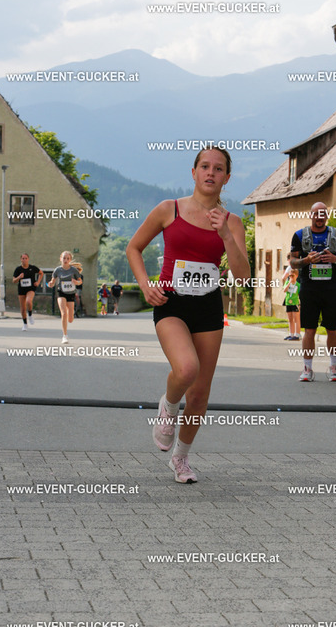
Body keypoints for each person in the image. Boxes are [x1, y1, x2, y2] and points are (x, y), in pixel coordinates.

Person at [126, 146, 250, 484]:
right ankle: (168, 406)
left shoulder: (232, 222)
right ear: (194, 173)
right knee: (186, 369)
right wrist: (145, 284)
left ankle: (180, 458)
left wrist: (226, 236)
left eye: (219, 168)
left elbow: (242, 276)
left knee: (199, 394)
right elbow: (133, 247)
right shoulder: (169, 209)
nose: (211, 173)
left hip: (208, 307)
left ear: (227, 178)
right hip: (172, 303)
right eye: (205, 166)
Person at [290, 201, 336, 381]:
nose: (320, 217)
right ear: (311, 215)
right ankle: (307, 369)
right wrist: (306, 260)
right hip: (309, 289)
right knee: (309, 329)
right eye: (316, 214)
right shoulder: (300, 235)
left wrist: (334, 259)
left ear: (327, 216)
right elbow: (293, 262)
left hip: (331, 289)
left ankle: (334, 366)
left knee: (332, 329)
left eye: (323, 213)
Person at [48, 251, 82, 343]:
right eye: (64, 258)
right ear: (60, 259)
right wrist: (51, 284)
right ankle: (65, 336)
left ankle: (70, 312)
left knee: (70, 319)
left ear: (70, 260)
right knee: (63, 313)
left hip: (71, 293)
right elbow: (52, 281)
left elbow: (80, 281)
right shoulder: (57, 270)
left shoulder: (73, 270)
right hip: (61, 292)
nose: (65, 260)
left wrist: (77, 282)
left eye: (67, 258)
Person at [12, 253, 44, 331]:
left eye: (26, 258)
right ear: (21, 259)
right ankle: (25, 324)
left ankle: (30, 315)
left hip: (31, 288)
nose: (24, 260)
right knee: (23, 309)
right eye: (23, 258)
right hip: (22, 289)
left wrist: (38, 282)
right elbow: (14, 281)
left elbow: (41, 273)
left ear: (28, 259)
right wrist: (19, 277)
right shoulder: (18, 269)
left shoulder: (32, 268)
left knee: (29, 301)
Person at [283, 268, 300, 341]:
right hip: (288, 302)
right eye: (289, 276)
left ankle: (297, 334)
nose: (291, 277)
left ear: (296, 276)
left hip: (295, 302)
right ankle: (291, 334)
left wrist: (300, 304)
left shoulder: (298, 285)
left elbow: (299, 294)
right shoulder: (287, 282)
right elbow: (284, 290)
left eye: (292, 276)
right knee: (290, 319)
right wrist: (289, 283)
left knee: (296, 319)